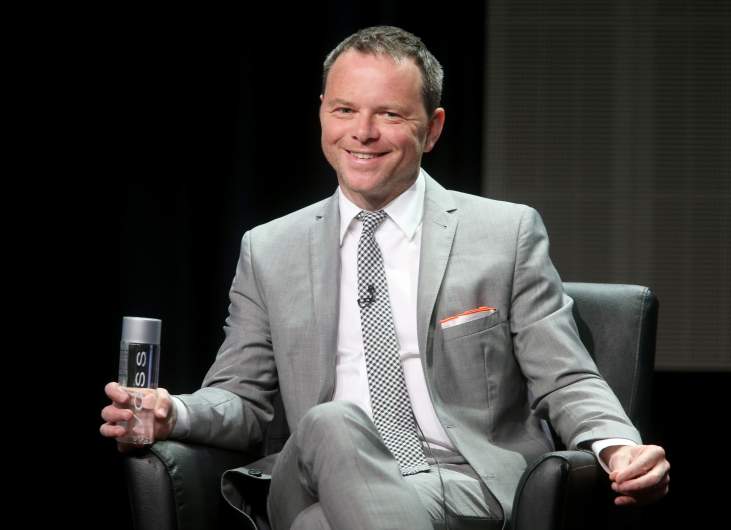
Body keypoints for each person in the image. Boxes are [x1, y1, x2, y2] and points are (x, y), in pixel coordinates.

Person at [101, 25, 670, 530]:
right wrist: (174, 411)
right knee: (331, 423)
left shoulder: (505, 234)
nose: (363, 132)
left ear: (432, 128)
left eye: (390, 114)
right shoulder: (270, 248)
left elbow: (564, 378)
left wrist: (617, 446)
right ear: (322, 112)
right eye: (344, 110)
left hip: (461, 484)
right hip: (310, 470)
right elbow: (241, 399)